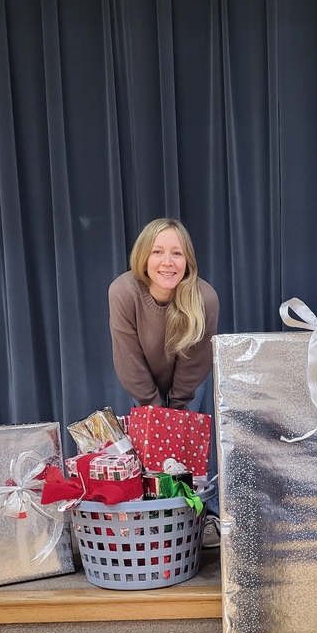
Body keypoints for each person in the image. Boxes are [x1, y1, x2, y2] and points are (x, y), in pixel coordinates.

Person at [109, 218, 221, 545]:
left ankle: (203, 517)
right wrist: (153, 410)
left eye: (177, 253)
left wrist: (177, 411)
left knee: (191, 448)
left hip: (188, 381)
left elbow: (196, 363)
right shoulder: (123, 291)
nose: (167, 262)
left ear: (188, 260)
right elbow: (128, 358)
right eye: (157, 252)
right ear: (143, 256)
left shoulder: (204, 297)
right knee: (148, 450)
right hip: (143, 378)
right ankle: (154, 520)